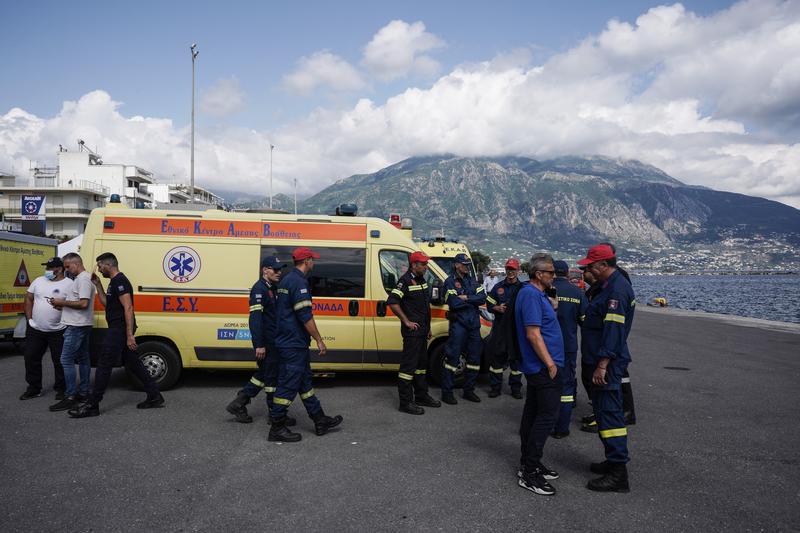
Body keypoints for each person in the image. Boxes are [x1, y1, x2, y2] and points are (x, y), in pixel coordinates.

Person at [68, 252, 164, 418]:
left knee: (104, 363)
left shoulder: (121, 281)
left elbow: (128, 308)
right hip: (117, 328)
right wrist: (98, 285)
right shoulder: (113, 282)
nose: (99, 269)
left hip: (119, 330)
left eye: (100, 266)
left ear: (108, 265)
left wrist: (129, 335)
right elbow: (107, 304)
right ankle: (155, 395)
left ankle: (93, 404)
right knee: (133, 362)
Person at [268, 247, 343, 442]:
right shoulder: (299, 283)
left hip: (290, 342)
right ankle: (277, 427)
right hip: (293, 344)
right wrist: (319, 339)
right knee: (287, 386)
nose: (314, 263)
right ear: (307, 261)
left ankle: (319, 420)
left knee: (304, 383)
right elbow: (305, 316)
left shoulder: (286, 280)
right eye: (313, 260)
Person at [577, 244, 635, 492]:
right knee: (602, 413)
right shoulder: (606, 287)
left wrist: (602, 365)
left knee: (610, 416)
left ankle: (618, 473)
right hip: (599, 360)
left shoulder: (616, 292)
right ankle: (612, 461)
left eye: (590, 266)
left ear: (603, 265)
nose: (587, 269)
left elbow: (613, 331)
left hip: (606, 364)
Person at [514, 253, 564, 496]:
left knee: (534, 414)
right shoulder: (531, 295)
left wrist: (552, 305)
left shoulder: (538, 294)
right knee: (546, 417)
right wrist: (550, 363)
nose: (554, 276)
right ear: (538, 274)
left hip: (542, 367)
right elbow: (533, 334)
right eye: (551, 272)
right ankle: (529, 471)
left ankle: (529, 462)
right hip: (544, 368)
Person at [225, 256, 295, 425]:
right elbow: (255, 319)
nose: (279, 272)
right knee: (271, 379)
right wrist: (259, 345)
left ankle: (239, 403)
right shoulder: (259, 289)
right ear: (265, 270)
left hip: (273, 341)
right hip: (267, 343)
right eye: (275, 269)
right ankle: (275, 415)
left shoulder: (271, 287)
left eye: (280, 269)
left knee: (263, 375)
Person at [386, 251, 441, 415]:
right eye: (423, 264)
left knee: (421, 367)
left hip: (423, 332)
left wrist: (428, 327)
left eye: (426, 264)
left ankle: (421, 395)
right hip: (412, 333)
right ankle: (405, 402)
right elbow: (392, 302)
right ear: (414, 265)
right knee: (408, 368)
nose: (426, 267)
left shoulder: (422, 279)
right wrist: (406, 321)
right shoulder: (404, 281)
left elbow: (424, 307)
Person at [48, 253, 95, 411]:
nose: (66, 270)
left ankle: (70, 396)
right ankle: (83, 392)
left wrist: (62, 302)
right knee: (82, 359)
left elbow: (83, 303)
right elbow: (79, 303)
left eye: (68, 266)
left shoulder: (83, 279)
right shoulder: (81, 279)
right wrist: (63, 306)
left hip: (76, 326)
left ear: (76, 263)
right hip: (80, 324)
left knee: (66, 360)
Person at [19, 257, 71, 401]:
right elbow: (29, 298)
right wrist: (29, 319)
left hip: (59, 330)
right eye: (46, 267)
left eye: (49, 268)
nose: (47, 271)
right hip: (36, 329)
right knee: (30, 357)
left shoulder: (69, 284)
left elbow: (75, 304)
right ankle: (34, 388)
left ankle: (62, 388)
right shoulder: (38, 281)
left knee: (60, 360)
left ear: (59, 269)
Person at [441, 253, 486, 404]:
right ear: (456, 265)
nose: (467, 267)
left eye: (468, 264)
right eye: (464, 264)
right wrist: (472, 300)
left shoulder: (472, 281)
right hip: (459, 325)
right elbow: (453, 303)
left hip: (473, 325)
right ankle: (447, 392)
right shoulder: (450, 282)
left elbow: (482, 298)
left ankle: (469, 390)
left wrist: (466, 298)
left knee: (474, 359)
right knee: (452, 358)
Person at [551, 260, 587, 438]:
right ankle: (562, 428)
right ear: (567, 273)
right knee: (566, 386)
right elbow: (585, 321)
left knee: (547, 385)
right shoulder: (577, 292)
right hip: (569, 345)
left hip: (546, 346)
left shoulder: (545, 290)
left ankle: (544, 423)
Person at [485, 258, 524, 399]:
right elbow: (489, 305)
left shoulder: (523, 288)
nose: (510, 272)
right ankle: (495, 387)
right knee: (497, 359)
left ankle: (516, 389)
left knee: (516, 362)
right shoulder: (498, 287)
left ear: (518, 271)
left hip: (516, 330)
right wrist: (497, 308)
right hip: (500, 330)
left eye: (513, 269)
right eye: (508, 269)